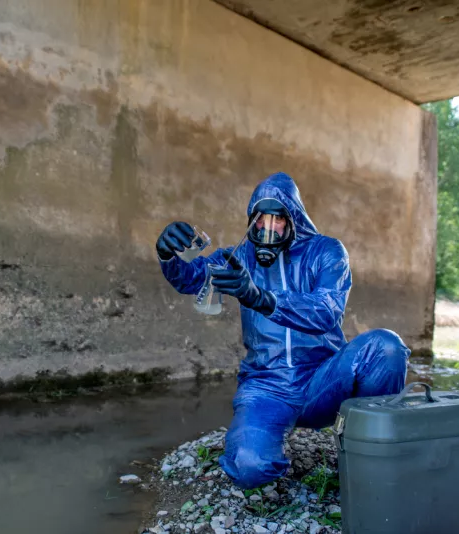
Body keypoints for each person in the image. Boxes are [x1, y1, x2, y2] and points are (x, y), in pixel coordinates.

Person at [155, 172, 410, 489]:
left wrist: (259, 297)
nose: (269, 227)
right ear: (252, 218)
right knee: (248, 466)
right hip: (267, 385)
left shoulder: (326, 252)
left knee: (386, 348)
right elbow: (192, 278)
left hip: (325, 379)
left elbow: (326, 311)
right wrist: (168, 254)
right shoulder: (239, 258)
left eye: (279, 218)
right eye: (262, 218)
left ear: (294, 217)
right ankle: (275, 452)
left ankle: (373, 454)